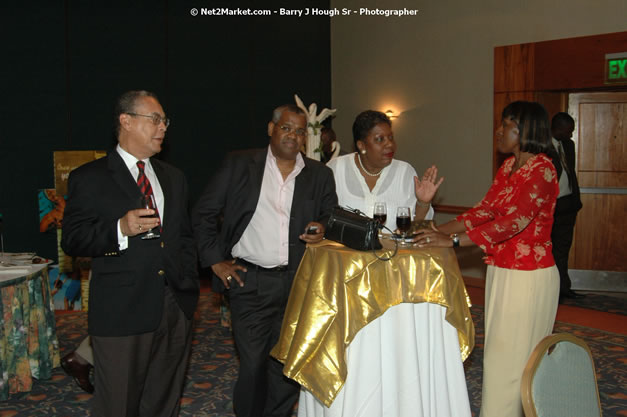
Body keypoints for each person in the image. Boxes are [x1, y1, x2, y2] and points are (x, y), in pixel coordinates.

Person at [413, 101, 560, 417]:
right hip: (502, 270)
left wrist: (451, 241)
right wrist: (436, 231)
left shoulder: (543, 169)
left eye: (505, 124)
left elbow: (514, 222)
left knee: (513, 362)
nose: (498, 130)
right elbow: (485, 211)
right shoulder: (509, 168)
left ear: (523, 130)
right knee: (498, 358)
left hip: (528, 276)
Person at [193, 104, 337, 417]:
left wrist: (323, 228)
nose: (293, 135)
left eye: (299, 131)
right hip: (251, 281)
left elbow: (330, 216)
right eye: (286, 127)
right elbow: (203, 213)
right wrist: (215, 262)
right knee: (254, 364)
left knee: (286, 364)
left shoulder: (320, 175)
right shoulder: (240, 165)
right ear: (271, 129)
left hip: (299, 283)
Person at [61, 90, 199, 417]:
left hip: (174, 305)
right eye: (155, 119)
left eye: (165, 121)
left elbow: (183, 237)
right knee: (119, 404)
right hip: (122, 310)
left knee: (164, 399)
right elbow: (74, 240)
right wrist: (119, 228)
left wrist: (188, 285)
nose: (163, 127)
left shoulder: (173, 177)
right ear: (126, 121)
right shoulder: (90, 177)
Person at [327, 110, 443, 229]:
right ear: (361, 145)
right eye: (380, 139)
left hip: (394, 248)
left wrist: (423, 203)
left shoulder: (404, 172)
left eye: (391, 137)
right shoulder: (336, 169)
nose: (389, 144)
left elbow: (416, 230)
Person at [550, 112, 584, 300]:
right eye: (568, 131)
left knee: (563, 248)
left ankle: (564, 288)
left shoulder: (568, 146)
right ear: (557, 128)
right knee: (549, 249)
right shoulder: (543, 147)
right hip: (550, 205)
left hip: (568, 204)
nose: (570, 135)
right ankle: (551, 290)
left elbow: (571, 173)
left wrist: (576, 202)